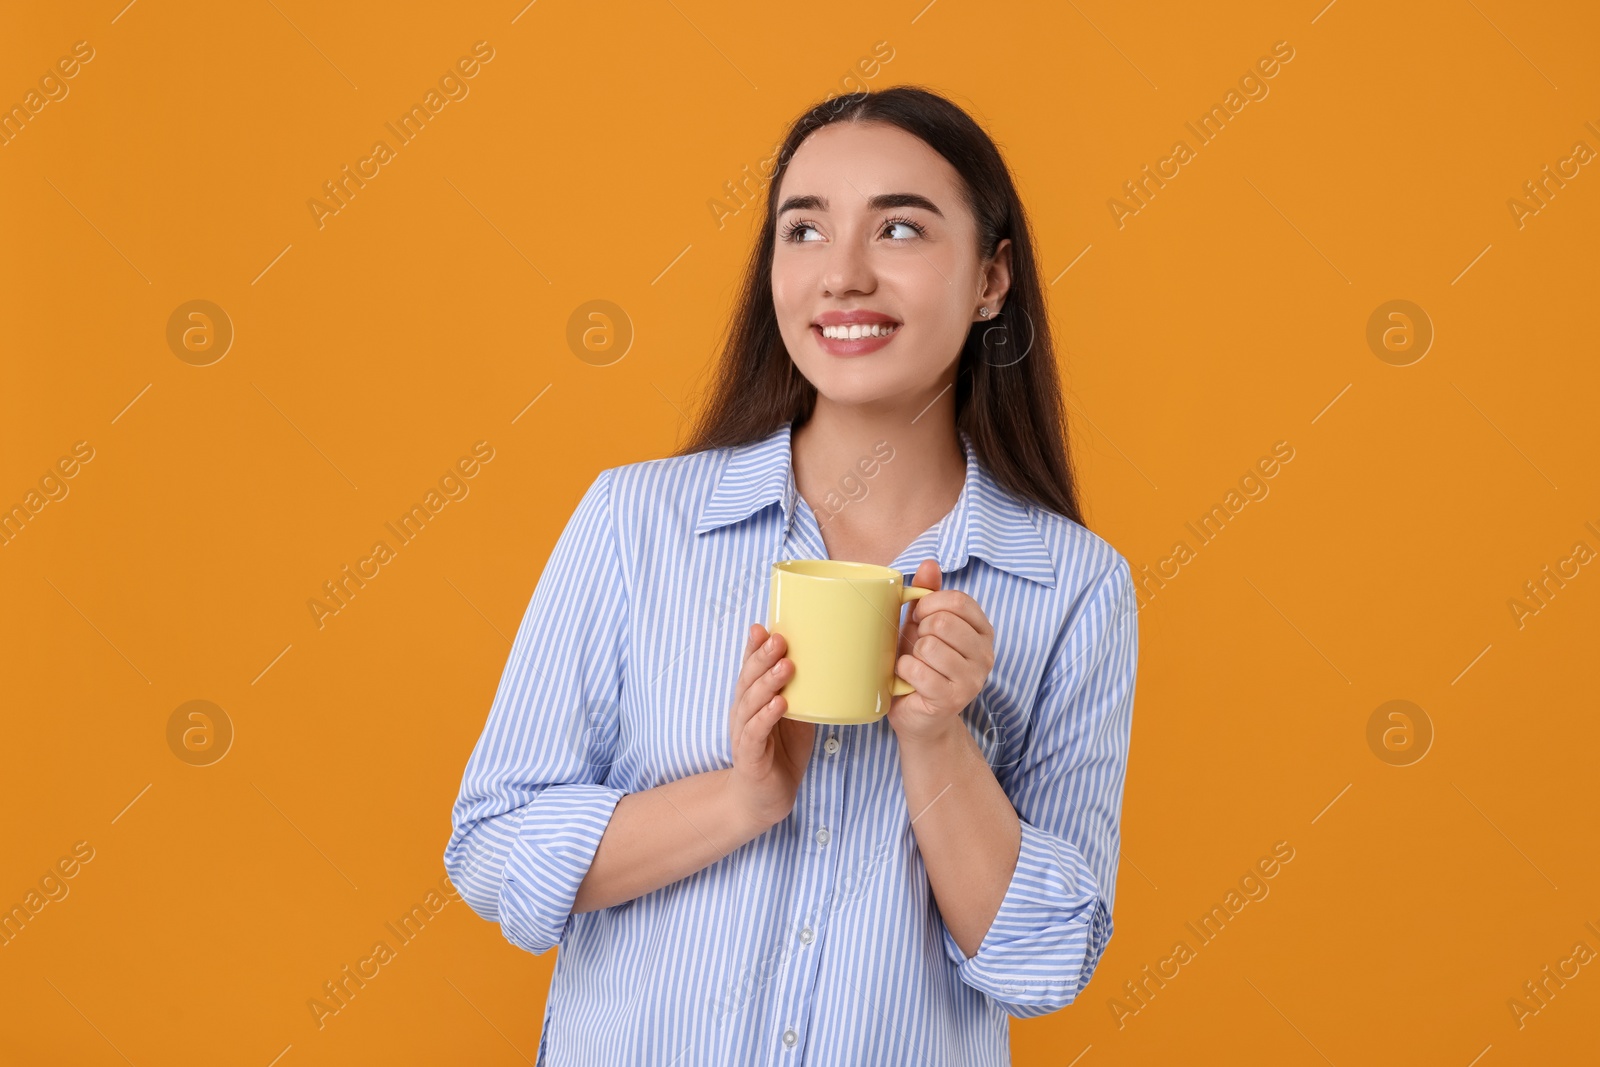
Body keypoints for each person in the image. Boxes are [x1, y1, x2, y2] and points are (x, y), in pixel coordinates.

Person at [443, 84, 1139, 1066]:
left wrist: (937, 740)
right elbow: (491, 846)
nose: (842, 275)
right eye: (803, 231)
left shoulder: (1072, 586)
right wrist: (742, 798)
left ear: (992, 278)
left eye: (898, 228)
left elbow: (1044, 963)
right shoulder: (640, 522)